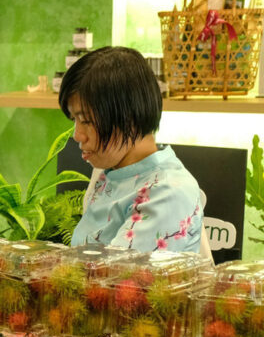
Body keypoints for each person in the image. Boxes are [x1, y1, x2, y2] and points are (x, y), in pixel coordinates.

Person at [59, 46, 204, 253]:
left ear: (129, 118)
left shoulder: (168, 192)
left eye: (86, 120)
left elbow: (118, 278)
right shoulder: (109, 173)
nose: (77, 135)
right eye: (75, 120)